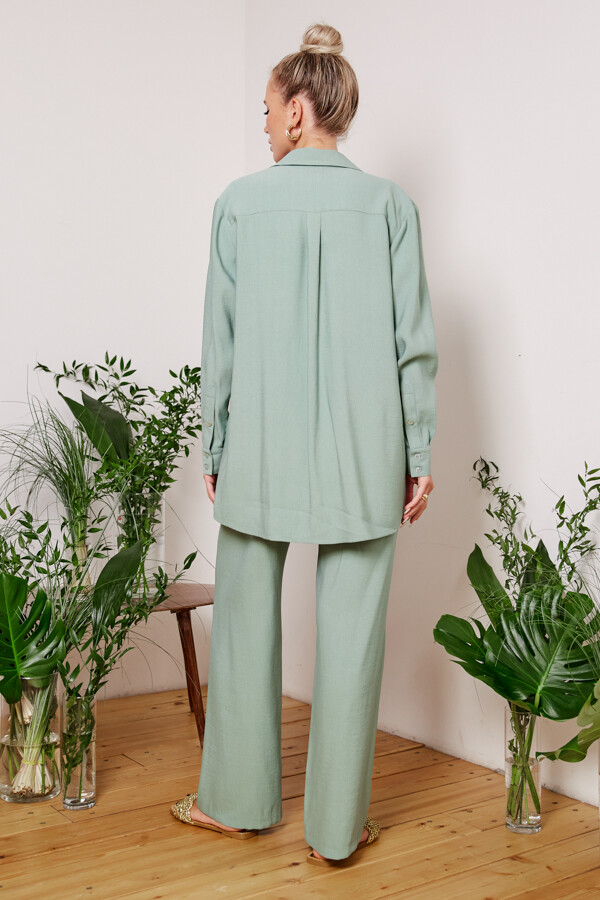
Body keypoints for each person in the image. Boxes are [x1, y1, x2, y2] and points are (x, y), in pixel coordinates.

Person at [170, 22, 438, 866]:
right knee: (353, 638)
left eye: (264, 111)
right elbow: (413, 345)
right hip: (366, 454)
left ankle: (236, 803)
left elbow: (221, 342)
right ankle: (336, 830)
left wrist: (216, 445)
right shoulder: (391, 207)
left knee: (245, 626)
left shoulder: (238, 204)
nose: (262, 126)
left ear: (295, 111)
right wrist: (418, 455)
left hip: (260, 447)